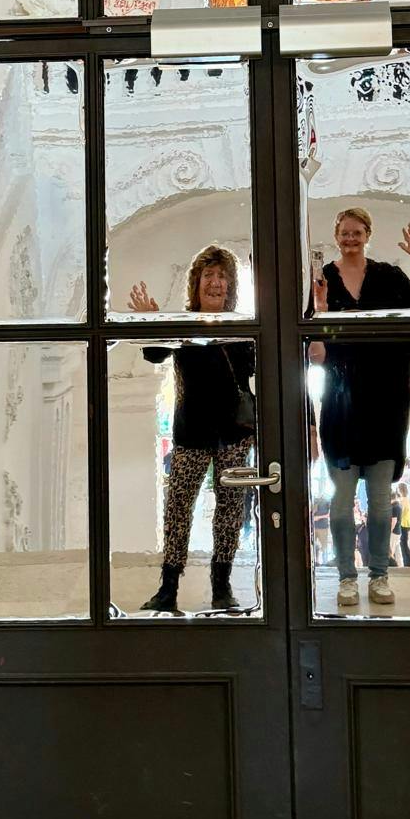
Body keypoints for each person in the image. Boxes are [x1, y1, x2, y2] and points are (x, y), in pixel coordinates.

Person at [309, 207, 410, 609]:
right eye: (344, 232)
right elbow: (314, 354)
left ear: (367, 235)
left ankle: (379, 575)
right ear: (336, 236)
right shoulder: (322, 280)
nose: (350, 238)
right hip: (341, 407)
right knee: (341, 505)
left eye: (357, 232)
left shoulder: (389, 277)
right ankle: (347, 578)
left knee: (380, 505)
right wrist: (321, 309)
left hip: (386, 406)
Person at [130, 245, 255, 616]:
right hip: (191, 433)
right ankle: (168, 588)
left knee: (230, 510)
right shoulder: (182, 322)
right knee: (178, 509)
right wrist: (152, 322)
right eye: (208, 276)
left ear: (230, 286)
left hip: (234, 433)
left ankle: (222, 587)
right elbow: (154, 354)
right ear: (196, 283)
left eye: (222, 277)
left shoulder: (242, 326)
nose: (215, 283)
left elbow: (256, 370)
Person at [397, 483, 410, 568]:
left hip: (403, 524)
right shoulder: (407, 499)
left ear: (399, 490)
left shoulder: (402, 501)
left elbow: (401, 512)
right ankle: (408, 562)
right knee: (404, 543)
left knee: (403, 544)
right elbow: (409, 512)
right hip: (407, 523)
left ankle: (407, 563)